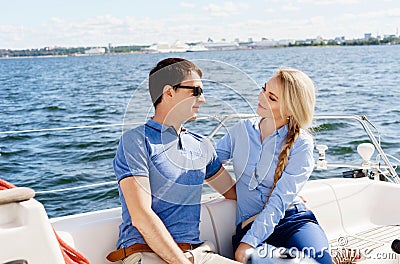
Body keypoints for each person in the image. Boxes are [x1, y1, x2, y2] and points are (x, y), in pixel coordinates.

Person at [107, 58, 239, 264]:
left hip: (197, 254)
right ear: (169, 92)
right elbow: (141, 216)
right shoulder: (136, 141)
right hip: (146, 253)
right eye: (195, 91)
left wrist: (281, 198)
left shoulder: (201, 145)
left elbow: (234, 193)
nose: (202, 99)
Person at [215, 68, 332, 263]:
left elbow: (279, 201)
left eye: (272, 97)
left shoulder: (302, 143)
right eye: (263, 89)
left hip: (294, 221)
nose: (261, 97)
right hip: (249, 226)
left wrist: (249, 243)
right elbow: (208, 165)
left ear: (289, 109)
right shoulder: (240, 131)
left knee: (320, 261)